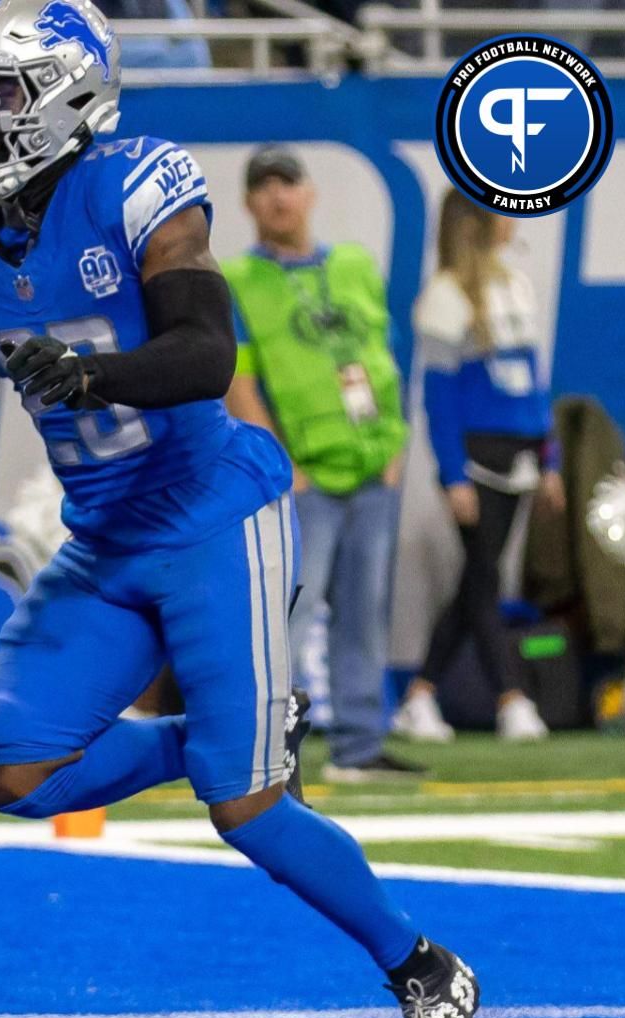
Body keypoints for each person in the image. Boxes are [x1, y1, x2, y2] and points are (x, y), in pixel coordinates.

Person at [0, 3, 480, 1018]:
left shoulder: (139, 182)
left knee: (245, 809)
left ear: (66, 96)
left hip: (212, 513)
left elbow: (205, 351)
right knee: (14, 770)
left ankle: (423, 970)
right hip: (104, 535)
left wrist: (94, 374)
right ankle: (215, 739)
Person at [222, 145, 421, 782]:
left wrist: (394, 449)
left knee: (365, 614)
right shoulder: (237, 281)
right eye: (264, 186)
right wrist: (283, 465)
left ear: (309, 193)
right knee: (290, 615)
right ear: (249, 203)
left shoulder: (356, 266)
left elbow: (384, 357)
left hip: (371, 467)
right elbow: (240, 380)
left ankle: (359, 746)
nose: (278, 196)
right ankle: (269, 750)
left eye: (288, 183)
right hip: (301, 475)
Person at [394, 191, 562, 745]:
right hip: (477, 457)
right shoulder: (445, 297)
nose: (511, 220)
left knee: (477, 581)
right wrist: (452, 475)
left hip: (520, 453)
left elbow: (535, 383)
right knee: (484, 579)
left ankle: (419, 696)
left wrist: (550, 458)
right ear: (475, 221)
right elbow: (437, 398)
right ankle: (512, 700)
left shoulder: (515, 283)